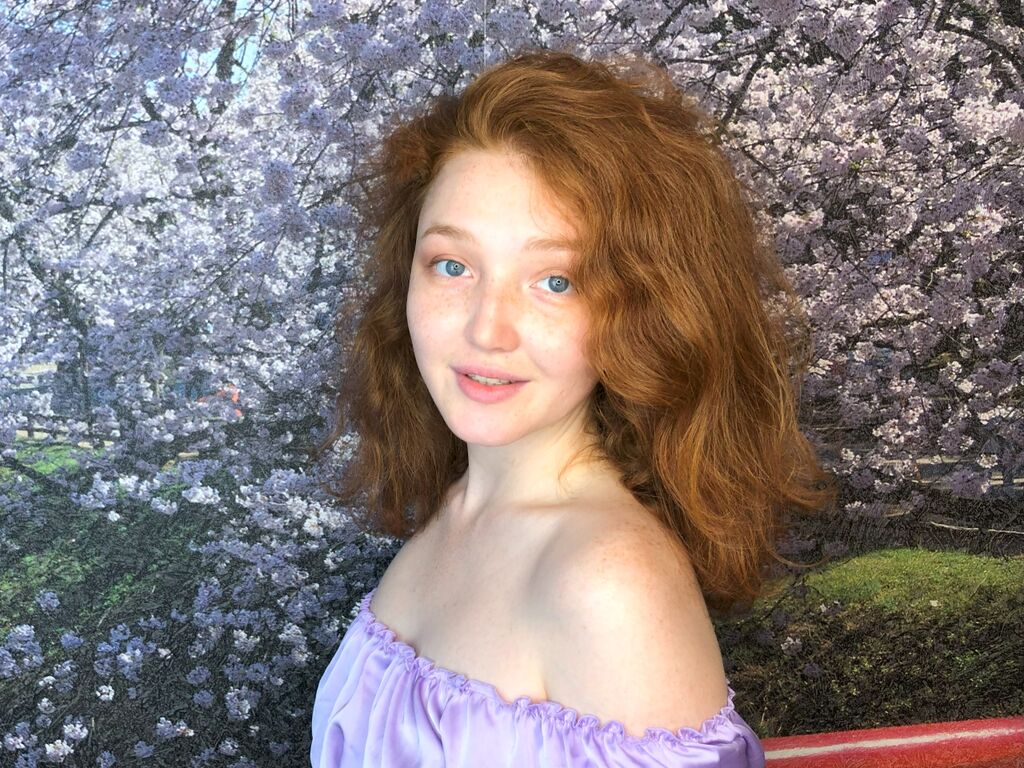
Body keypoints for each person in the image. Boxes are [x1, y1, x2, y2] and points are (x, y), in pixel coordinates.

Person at [309, 45, 836, 767]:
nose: (487, 330)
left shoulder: (608, 585)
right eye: (453, 266)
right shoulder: (457, 507)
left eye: (555, 281)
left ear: (641, 312)